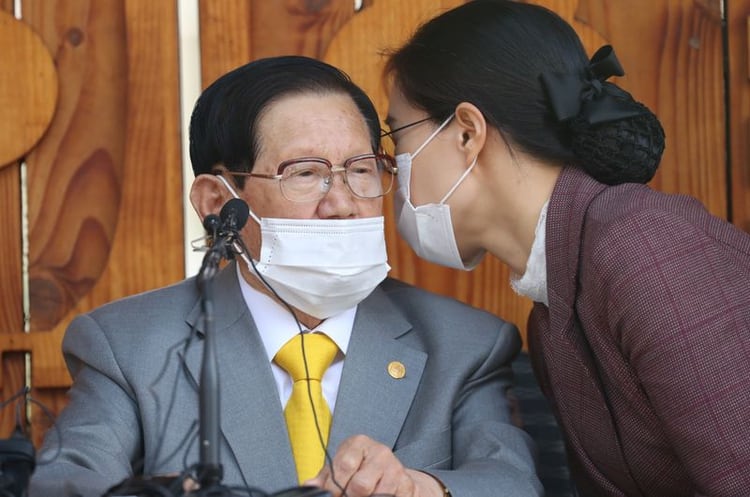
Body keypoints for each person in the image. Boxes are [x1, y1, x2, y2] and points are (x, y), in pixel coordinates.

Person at [28, 55, 542, 497]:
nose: (342, 204)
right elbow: (66, 487)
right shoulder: (128, 346)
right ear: (217, 202)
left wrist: (420, 488)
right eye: (304, 173)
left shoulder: (465, 344)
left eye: (361, 169)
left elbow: (513, 482)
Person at [381, 1, 750, 496]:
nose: (393, 168)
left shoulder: (643, 247)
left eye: (397, 136)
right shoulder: (553, 304)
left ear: (467, 132)